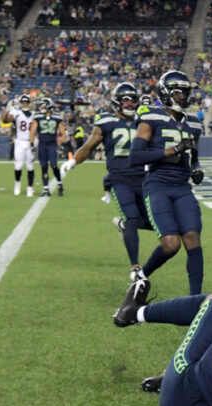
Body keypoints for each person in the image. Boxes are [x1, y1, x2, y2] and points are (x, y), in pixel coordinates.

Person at [123, 70, 205, 295]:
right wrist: (172, 150)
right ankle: (143, 274)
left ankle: (195, 299)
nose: (183, 97)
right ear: (166, 93)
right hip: (157, 184)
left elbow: (194, 161)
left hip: (181, 186)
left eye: (186, 93)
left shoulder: (195, 124)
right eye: (179, 92)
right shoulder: (151, 117)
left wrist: (196, 171)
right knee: (171, 244)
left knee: (192, 238)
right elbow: (135, 157)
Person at [60, 83, 153, 279]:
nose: (129, 103)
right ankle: (136, 267)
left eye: (132, 99)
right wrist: (74, 161)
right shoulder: (106, 121)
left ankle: (122, 225)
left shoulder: (144, 121)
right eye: (125, 100)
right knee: (132, 219)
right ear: (116, 102)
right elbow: (89, 146)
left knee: (157, 222)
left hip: (144, 178)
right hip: (119, 178)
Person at [30, 98, 67, 196]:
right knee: (44, 166)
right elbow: (32, 131)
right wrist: (31, 144)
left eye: (43, 105)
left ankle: (59, 184)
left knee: (54, 165)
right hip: (42, 145)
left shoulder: (56, 117)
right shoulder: (37, 117)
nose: (41, 107)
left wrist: (63, 145)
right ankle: (46, 189)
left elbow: (63, 132)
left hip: (52, 145)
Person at [1, 94, 36, 196]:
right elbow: (4, 121)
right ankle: (17, 184)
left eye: (26, 102)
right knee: (18, 166)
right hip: (19, 141)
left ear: (29, 103)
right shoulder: (16, 112)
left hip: (30, 142)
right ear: (21, 103)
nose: (25, 104)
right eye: (23, 102)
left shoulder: (34, 114)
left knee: (30, 166)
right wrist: (7, 110)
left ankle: (30, 187)